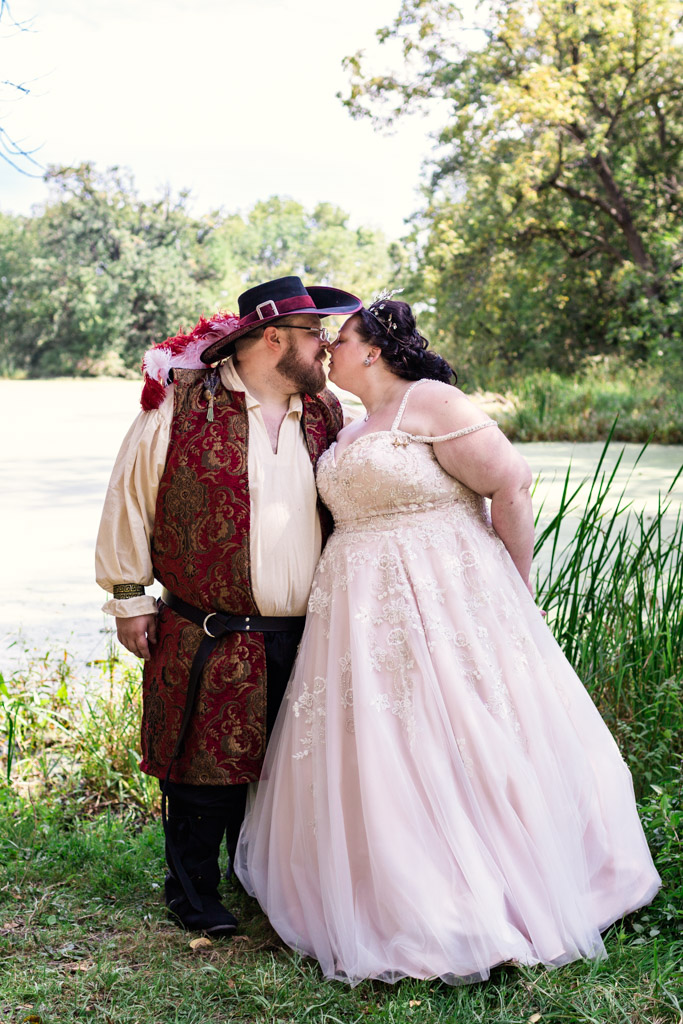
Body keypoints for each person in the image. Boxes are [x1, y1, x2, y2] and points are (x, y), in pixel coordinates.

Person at [235, 296, 661, 985]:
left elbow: (511, 485)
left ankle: (508, 888)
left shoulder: (427, 402)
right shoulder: (344, 427)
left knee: (465, 728)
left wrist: (514, 592)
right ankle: (395, 891)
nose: (325, 349)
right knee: (385, 743)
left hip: (450, 594)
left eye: (335, 339)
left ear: (370, 348)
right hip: (358, 606)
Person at [95, 275, 362, 936]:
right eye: (312, 335)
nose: (325, 348)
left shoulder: (327, 414)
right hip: (206, 626)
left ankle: (263, 883)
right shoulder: (180, 406)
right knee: (199, 770)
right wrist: (128, 597)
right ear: (272, 339)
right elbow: (130, 499)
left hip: (306, 631)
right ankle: (191, 894)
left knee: (284, 768)